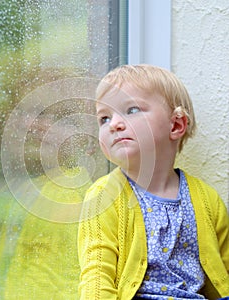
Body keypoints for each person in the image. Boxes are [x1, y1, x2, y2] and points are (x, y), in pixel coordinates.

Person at [77, 64, 229, 299]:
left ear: (176, 124)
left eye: (132, 109)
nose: (114, 124)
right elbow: (97, 276)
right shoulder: (103, 197)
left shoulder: (207, 200)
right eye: (104, 118)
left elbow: (225, 271)